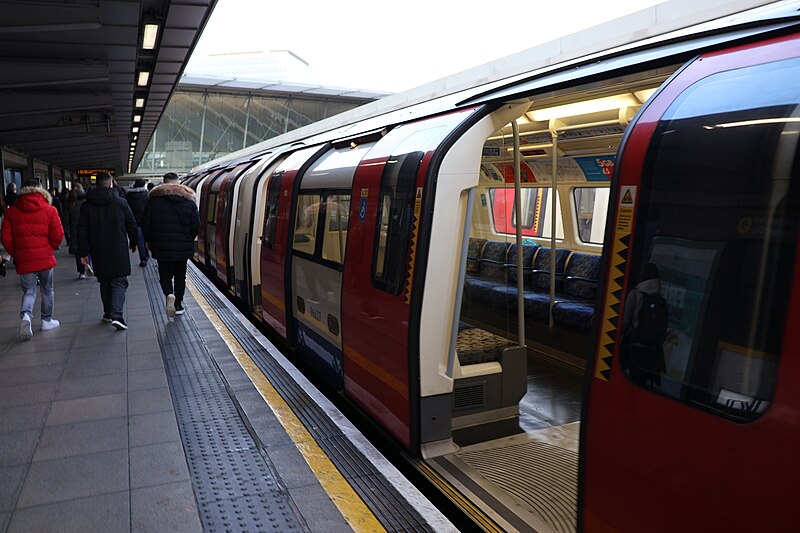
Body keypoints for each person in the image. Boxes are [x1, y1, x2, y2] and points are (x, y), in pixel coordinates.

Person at [0, 179, 64, 339]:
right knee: (47, 290)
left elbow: (5, 238)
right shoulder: (50, 210)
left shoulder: (12, 212)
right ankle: (46, 320)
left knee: (29, 291)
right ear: (41, 190)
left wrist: (16, 253)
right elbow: (58, 235)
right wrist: (51, 248)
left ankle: (26, 316)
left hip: (24, 259)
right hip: (45, 258)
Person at [77, 172, 138, 330]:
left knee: (104, 281)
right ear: (111, 184)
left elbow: (81, 230)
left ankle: (107, 313)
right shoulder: (121, 203)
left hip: (98, 249)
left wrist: (83, 253)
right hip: (117, 248)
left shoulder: (86, 205)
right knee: (119, 280)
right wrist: (134, 242)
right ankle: (117, 315)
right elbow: (131, 224)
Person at [142, 172, 199, 317]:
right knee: (180, 276)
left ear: (164, 183)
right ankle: (178, 304)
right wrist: (188, 238)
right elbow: (196, 226)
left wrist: (148, 240)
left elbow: (145, 224)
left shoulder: (153, 202)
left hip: (161, 246)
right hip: (182, 247)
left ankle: (169, 294)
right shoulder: (189, 202)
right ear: (179, 183)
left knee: (165, 274)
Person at [621, 262, 669, 388]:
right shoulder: (661, 298)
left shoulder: (635, 294)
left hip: (635, 345)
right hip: (653, 351)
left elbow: (626, 321)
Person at [126, 178, 150, 267]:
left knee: (140, 240)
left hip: (134, 221)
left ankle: (143, 257)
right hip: (146, 221)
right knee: (146, 239)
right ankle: (146, 255)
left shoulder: (129, 196)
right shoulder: (147, 195)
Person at [67, 183, 90, 279]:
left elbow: (67, 220)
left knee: (77, 251)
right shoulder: (87, 202)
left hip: (75, 230)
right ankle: (88, 265)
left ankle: (81, 271)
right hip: (87, 229)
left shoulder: (70, 204)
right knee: (88, 249)